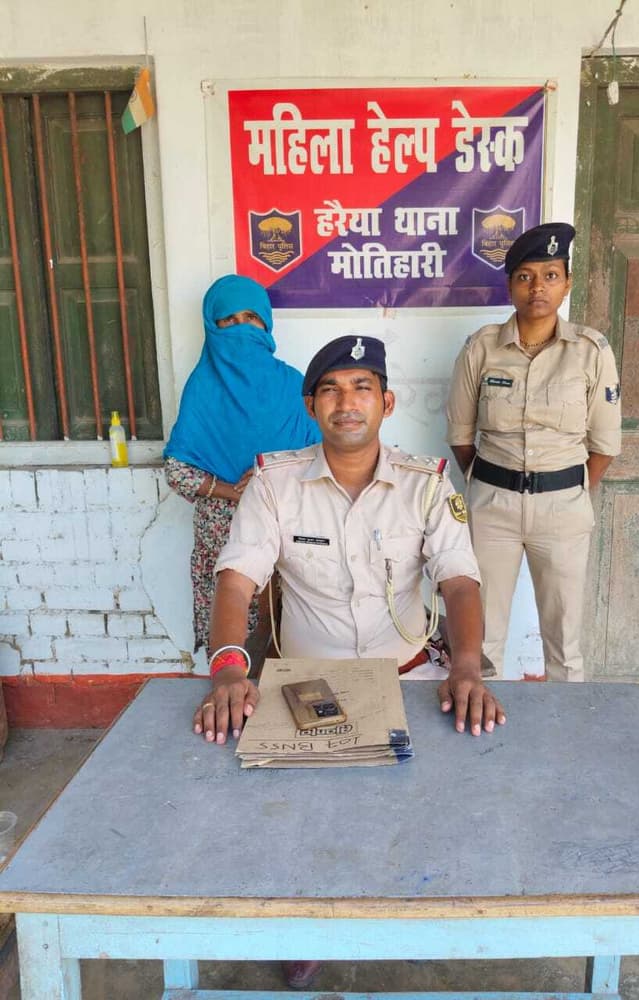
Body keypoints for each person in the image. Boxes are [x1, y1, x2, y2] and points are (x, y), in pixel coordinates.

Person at [195, 334, 506, 988]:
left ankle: (414, 908)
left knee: (436, 798)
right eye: (331, 390)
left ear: (386, 403)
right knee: (302, 819)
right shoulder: (275, 484)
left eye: (362, 388)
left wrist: (467, 667)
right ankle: (306, 927)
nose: (347, 403)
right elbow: (236, 582)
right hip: (311, 684)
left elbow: (459, 583)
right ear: (311, 405)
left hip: (411, 676)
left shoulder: (426, 484)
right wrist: (228, 669)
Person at [446, 223, 621, 682]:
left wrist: (566, 491)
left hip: (562, 508)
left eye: (550, 275)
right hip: (493, 506)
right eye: (525, 277)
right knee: (481, 639)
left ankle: (568, 725)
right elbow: (461, 435)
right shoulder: (482, 347)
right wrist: (495, 484)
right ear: (510, 286)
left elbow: (604, 445)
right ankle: (483, 720)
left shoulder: (591, 351)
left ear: (567, 283)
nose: (537, 287)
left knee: (564, 640)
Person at [164, 274, 321, 657]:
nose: (241, 329)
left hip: (288, 526)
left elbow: (324, 457)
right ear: (213, 327)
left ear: (265, 323)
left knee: (293, 639)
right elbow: (177, 471)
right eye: (229, 320)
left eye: (250, 318)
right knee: (234, 643)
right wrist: (231, 491)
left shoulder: (294, 385)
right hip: (223, 531)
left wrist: (272, 475)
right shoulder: (202, 387)